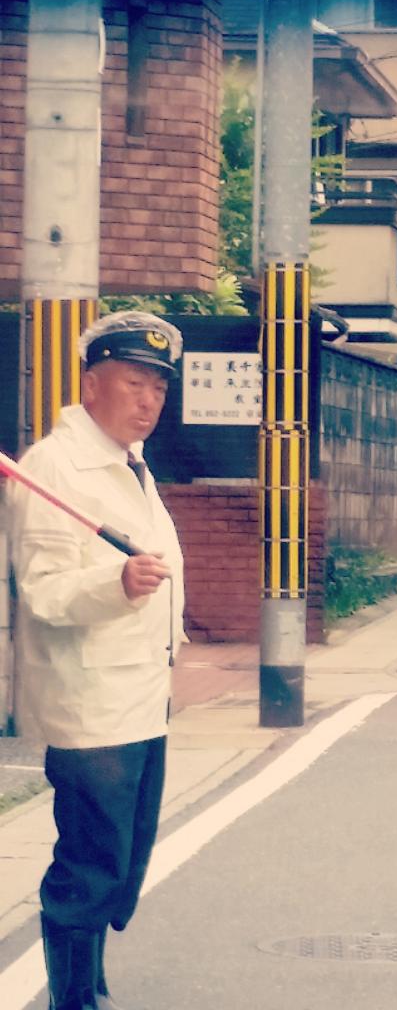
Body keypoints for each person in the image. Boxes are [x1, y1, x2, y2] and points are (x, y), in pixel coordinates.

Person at [8, 311, 186, 1010]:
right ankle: (72, 998)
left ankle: (90, 979)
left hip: (140, 695)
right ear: (92, 382)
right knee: (91, 861)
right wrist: (114, 584)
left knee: (125, 855)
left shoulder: (126, 463)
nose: (149, 402)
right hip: (92, 706)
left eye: (158, 391)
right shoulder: (56, 468)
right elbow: (45, 591)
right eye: (134, 383)